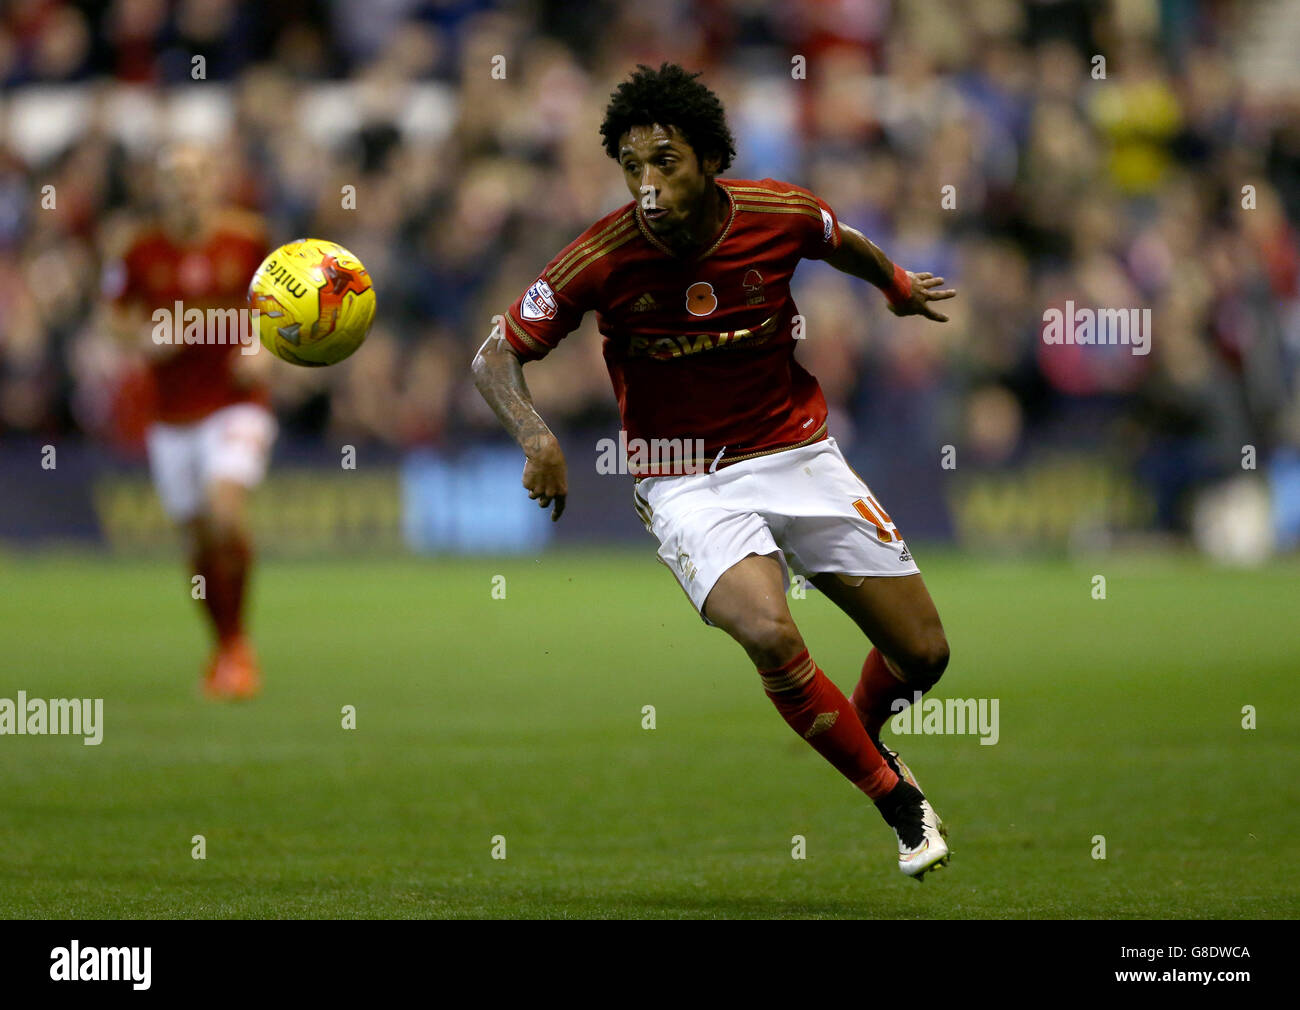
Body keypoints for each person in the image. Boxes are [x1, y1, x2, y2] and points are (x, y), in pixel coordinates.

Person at [473, 64, 956, 878]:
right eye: (631, 169)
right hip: (681, 475)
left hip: (795, 450)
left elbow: (845, 242)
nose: (648, 187)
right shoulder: (600, 256)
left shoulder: (780, 213)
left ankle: (863, 730)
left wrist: (899, 284)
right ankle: (895, 800)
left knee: (926, 655)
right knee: (768, 629)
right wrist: (537, 438)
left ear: (708, 158)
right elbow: (495, 357)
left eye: (665, 162)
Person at [103, 143, 275, 700]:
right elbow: (113, 321)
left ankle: (240, 649)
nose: (187, 186)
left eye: (198, 175)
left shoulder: (249, 239)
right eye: (175, 177)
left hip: (236, 404)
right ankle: (225, 644)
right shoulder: (138, 250)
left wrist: (265, 351)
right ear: (159, 186)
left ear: (215, 181)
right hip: (172, 416)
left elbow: (289, 310)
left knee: (225, 514)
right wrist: (145, 340)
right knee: (197, 544)